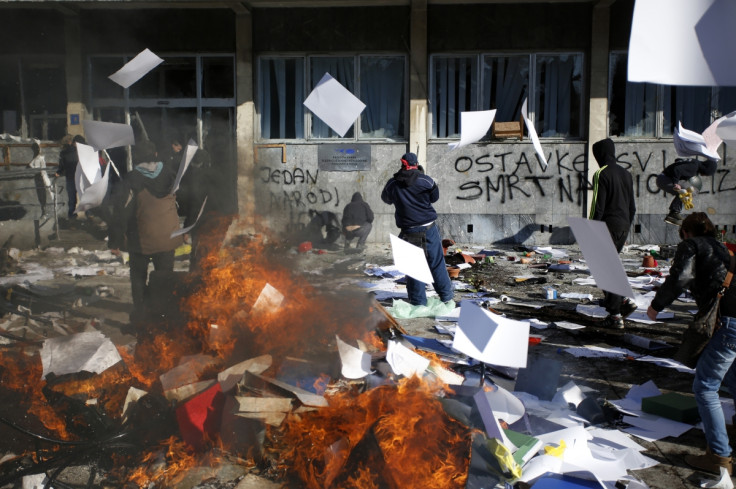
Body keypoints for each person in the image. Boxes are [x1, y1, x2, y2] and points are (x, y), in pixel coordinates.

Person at [646, 213, 736, 475]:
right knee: (732, 378)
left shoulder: (691, 245)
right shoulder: (722, 247)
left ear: (686, 232)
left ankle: (719, 456)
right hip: (733, 320)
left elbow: (681, 278)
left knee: (705, 387)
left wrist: (656, 306)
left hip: (727, 323)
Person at [108, 140, 183, 322]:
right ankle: (165, 316)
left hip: (141, 238)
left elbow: (120, 212)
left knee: (139, 279)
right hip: (168, 236)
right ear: (155, 155)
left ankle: (142, 316)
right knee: (165, 278)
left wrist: (115, 240)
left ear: (136, 157)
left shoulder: (132, 178)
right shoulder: (170, 174)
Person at [381, 152, 454, 307]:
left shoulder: (392, 183)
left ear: (402, 164)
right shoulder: (425, 181)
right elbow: (434, 197)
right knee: (436, 263)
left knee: (414, 267)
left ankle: (418, 302)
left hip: (408, 231)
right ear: (416, 164)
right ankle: (446, 296)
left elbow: (386, 199)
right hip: (428, 228)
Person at [589, 138, 637, 329]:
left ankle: (616, 314)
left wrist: (591, 230)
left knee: (604, 269)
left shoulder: (601, 174)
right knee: (609, 267)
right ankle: (622, 302)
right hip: (623, 225)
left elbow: (597, 207)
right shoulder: (626, 174)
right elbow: (632, 206)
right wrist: (625, 227)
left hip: (607, 226)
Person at [657, 158, 718, 225]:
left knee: (686, 190)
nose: (704, 176)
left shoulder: (695, 162)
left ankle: (673, 214)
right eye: (706, 174)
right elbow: (677, 169)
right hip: (664, 179)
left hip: (664, 177)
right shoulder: (694, 167)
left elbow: (677, 160)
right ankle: (674, 213)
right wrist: (676, 183)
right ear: (706, 169)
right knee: (691, 190)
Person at [56, 135, 84, 219]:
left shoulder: (63, 152)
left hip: (70, 177)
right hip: (80, 177)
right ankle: (90, 214)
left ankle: (72, 216)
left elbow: (62, 166)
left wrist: (58, 172)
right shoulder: (80, 152)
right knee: (84, 196)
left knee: (72, 199)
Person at [28, 141, 51, 217]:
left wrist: (33, 168)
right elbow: (30, 165)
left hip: (41, 177)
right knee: (39, 194)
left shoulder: (40, 158)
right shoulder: (35, 158)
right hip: (37, 177)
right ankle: (43, 210)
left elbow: (43, 169)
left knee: (42, 193)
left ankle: (44, 210)